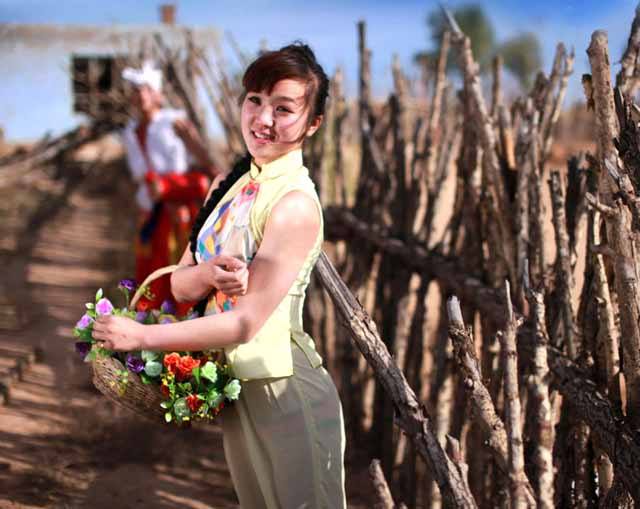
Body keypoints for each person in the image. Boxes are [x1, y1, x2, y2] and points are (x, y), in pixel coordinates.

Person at [94, 43, 347, 508]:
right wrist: (210, 273)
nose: (263, 119)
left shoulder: (293, 205)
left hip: (284, 390)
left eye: (284, 108)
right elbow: (179, 284)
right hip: (235, 387)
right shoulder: (228, 185)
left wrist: (139, 338)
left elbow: (245, 324)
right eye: (255, 100)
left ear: (313, 124)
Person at [121, 60, 215, 311]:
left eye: (147, 89)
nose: (141, 95)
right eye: (136, 90)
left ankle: (184, 328)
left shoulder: (174, 121)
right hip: (152, 210)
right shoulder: (130, 132)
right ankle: (151, 326)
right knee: (151, 273)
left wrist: (191, 140)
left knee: (179, 269)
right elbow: (139, 175)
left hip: (179, 207)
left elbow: (204, 161)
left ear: (158, 94)